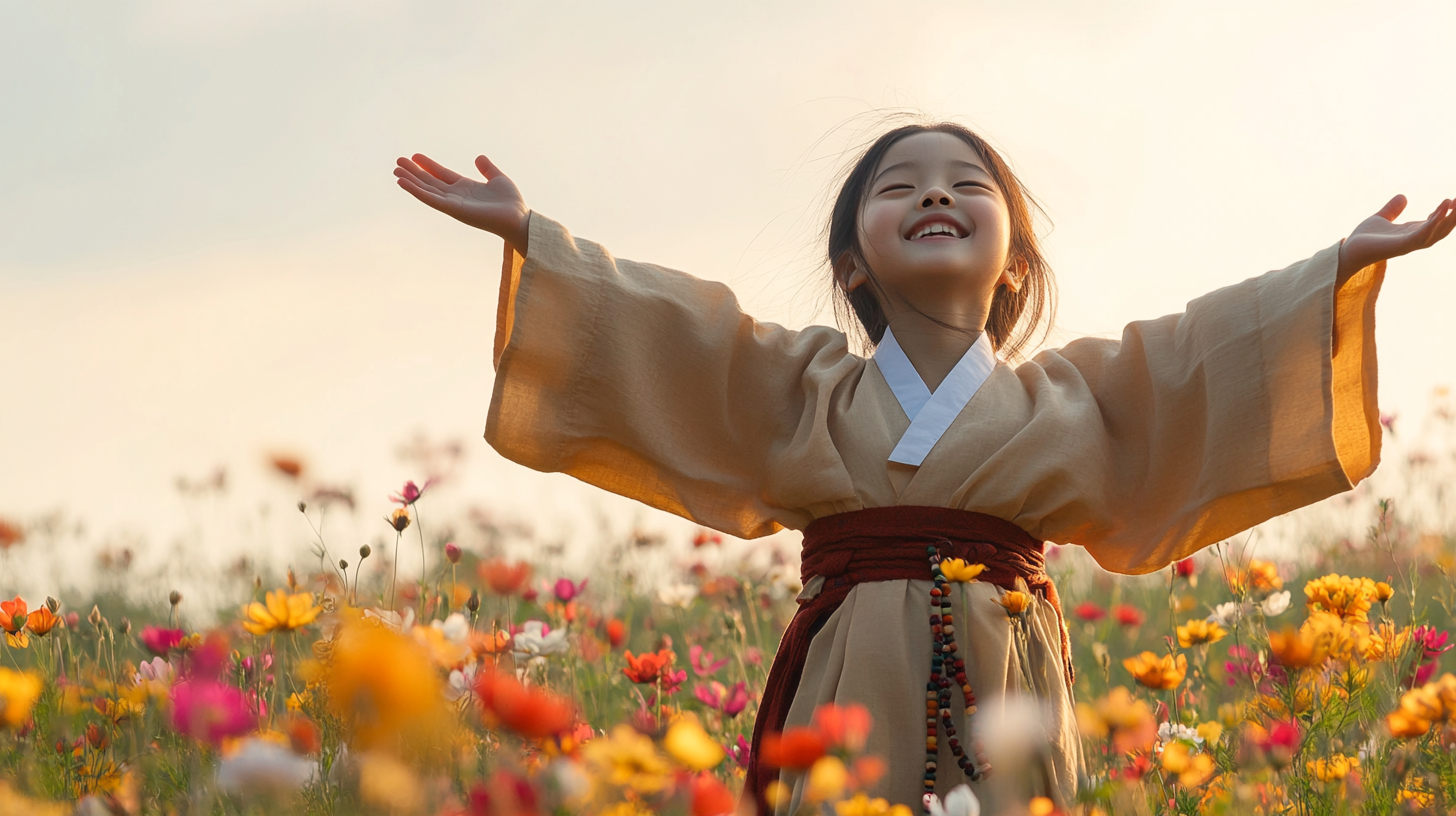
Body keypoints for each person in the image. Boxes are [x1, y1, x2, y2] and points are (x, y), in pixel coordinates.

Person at [393, 122, 1455, 814]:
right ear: (852, 261)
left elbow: (1202, 358)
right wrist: (537, 238)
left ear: (1015, 260)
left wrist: (1338, 269)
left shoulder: (1076, 397)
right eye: (899, 187)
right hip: (847, 679)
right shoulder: (801, 387)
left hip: (1009, 689)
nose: (935, 195)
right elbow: (674, 336)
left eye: (966, 186)